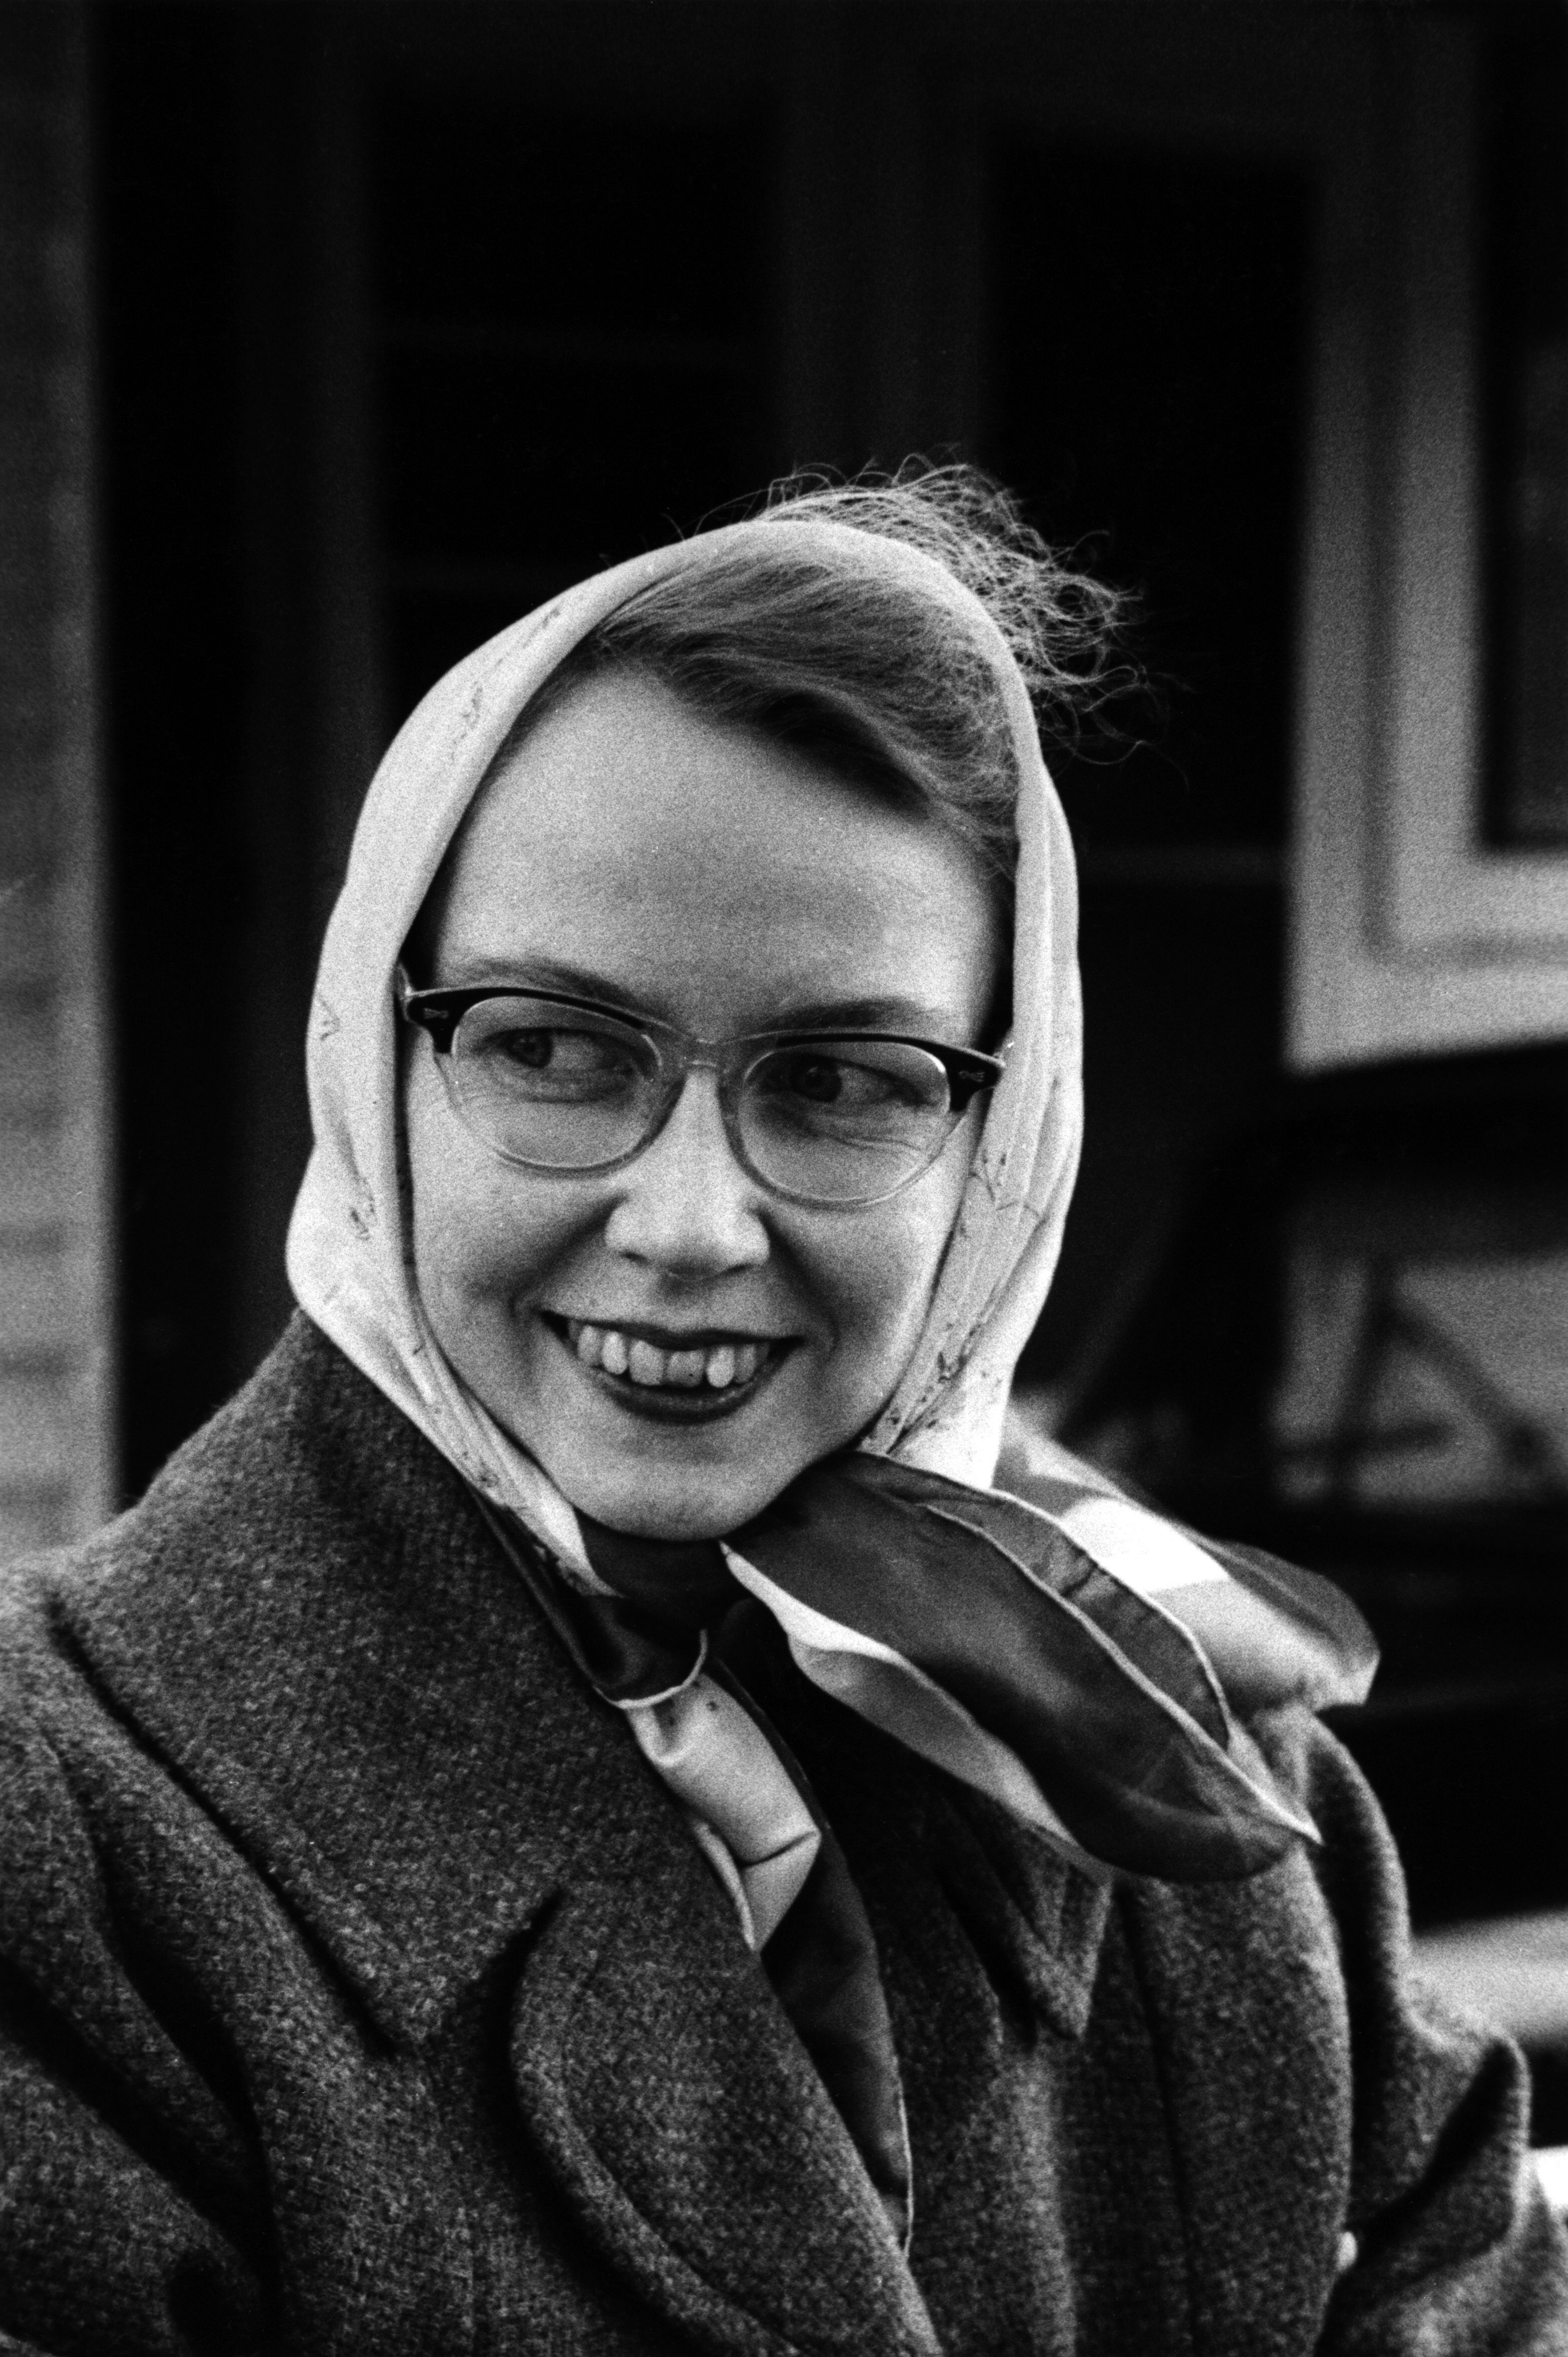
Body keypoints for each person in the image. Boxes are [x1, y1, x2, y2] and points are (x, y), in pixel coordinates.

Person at [1, 467, 1564, 2355]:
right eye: (552, 1047)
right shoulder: (65, 1832)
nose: (685, 1225)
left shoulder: (1183, 1760)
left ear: (1003, 1136)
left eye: (840, 1079)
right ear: (376, 1061)